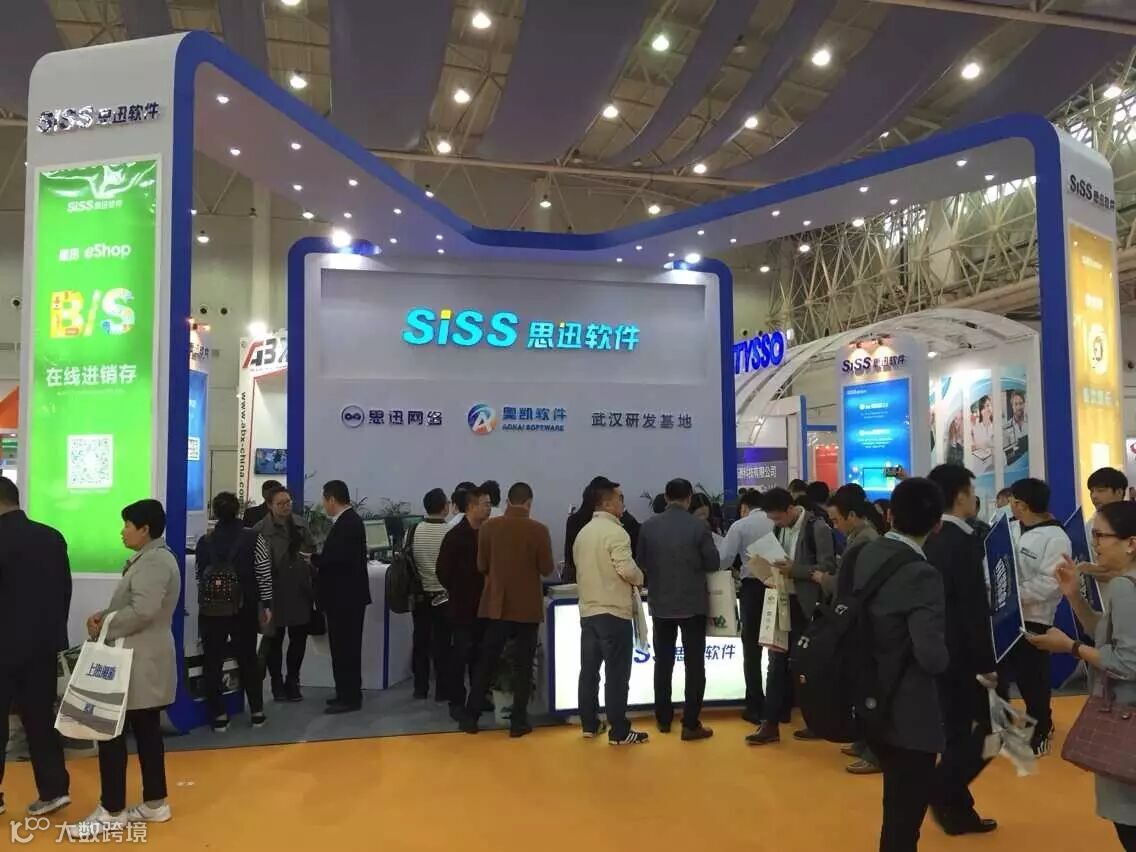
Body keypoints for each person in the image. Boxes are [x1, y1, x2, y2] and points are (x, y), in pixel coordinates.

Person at [1026, 501, 1136, 850]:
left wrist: (1070, 647)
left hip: (1126, 719)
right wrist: (1074, 597)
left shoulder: (1125, 587)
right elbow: (1107, 634)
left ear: (1130, 543)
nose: (1094, 544)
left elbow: (1127, 662)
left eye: (1101, 536)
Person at [71, 500, 180, 835]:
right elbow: (136, 606)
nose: (123, 532)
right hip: (141, 661)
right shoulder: (153, 558)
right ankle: (155, 803)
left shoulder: (154, 562)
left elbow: (143, 610)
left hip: (136, 662)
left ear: (144, 529)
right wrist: (106, 616)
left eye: (127, 525)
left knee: (111, 733)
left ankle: (112, 809)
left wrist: (106, 625)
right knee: (147, 734)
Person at [855, 478, 949, 852]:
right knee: (904, 817)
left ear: (890, 514)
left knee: (895, 806)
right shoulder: (922, 573)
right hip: (910, 709)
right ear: (937, 524)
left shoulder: (866, 553)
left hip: (868, 692)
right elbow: (931, 655)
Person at [923, 465, 999, 836]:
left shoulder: (931, 539)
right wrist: (987, 663)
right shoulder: (962, 542)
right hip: (967, 656)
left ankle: (957, 810)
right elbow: (973, 609)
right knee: (994, 733)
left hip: (940, 651)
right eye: (970, 491)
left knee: (955, 731)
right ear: (959, 496)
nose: (974, 498)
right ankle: (941, 789)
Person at [0, 477, 71, 818]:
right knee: (41, 719)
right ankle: (54, 791)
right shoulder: (51, 537)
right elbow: (64, 591)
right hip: (42, 647)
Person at [460, 482, 555, 736]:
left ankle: (471, 717)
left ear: (508, 501)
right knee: (523, 665)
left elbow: (482, 565)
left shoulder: (489, 528)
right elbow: (546, 568)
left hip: (497, 605)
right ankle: (518, 721)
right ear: (529, 503)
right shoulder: (539, 530)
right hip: (527, 607)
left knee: (487, 661)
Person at [747, 486, 837, 745]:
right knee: (775, 663)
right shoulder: (780, 529)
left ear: (790, 509)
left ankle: (816, 722)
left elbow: (828, 567)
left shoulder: (817, 528)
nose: (776, 523)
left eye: (778, 518)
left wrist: (794, 569)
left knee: (805, 665)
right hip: (781, 601)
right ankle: (769, 724)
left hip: (807, 606)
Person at [636, 478, 719, 741]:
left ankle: (663, 719)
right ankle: (690, 723)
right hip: (692, 605)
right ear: (689, 497)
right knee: (694, 666)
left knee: (663, 663)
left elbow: (641, 562)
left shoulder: (649, 526)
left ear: (666, 496)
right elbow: (713, 563)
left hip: (661, 604)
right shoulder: (699, 526)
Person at [999, 477, 1071, 755]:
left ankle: (1041, 728)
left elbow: (1051, 583)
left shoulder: (1056, 538)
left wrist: (1013, 595)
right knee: (999, 675)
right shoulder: (1010, 528)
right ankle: (1002, 726)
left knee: (1032, 679)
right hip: (1004, 615)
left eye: (1012, 501)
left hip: (1035, 618)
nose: (1009, 505)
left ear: (1021, 504)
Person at [573, 479, 649, 745]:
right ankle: (619, 731)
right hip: (614, 612)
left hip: (588, 611)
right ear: (607, 503)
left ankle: (589, 724)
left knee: (589, 672)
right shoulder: (616, 533)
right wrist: (641, 578)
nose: (622, 503)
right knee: (616, 675)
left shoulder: (583, 533)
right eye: (619, 498)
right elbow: (626, 569)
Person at [195, 492, 273, 732]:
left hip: (211, 611)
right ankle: (257, 712)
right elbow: (263, 572)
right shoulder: (254, 538)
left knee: (212, 662)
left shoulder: (204, 541)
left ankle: (219, 716)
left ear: (215, 513)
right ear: (238, 511)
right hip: (244, 608)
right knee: (248, 659)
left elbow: (199, 576)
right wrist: (267, 604)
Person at [822, 484, 885, 775]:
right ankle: (864, 741)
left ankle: (875, 751)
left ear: (851, 515)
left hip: (862, 622)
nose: (835, 525)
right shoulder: (857, 537)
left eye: (836, 520)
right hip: (855, 619)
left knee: (868, 688)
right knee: (859, 686)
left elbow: (858, 584)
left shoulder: (867, 541)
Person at [716, 490, 774, 725]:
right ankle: (779, 706)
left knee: (752, 649)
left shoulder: (740, 525)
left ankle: (755, 706)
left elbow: (724, 560)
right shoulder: (777, 522)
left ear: (744, 507)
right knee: (778, 646)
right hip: (779, 586)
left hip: (752, 589)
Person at [312, 480, 370, 714]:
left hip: (345, 599)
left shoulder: (347, 524)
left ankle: (349, 697)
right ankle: (345, 692)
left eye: (324, 500)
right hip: (345, 598)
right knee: (343, 648)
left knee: (346, 649)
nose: (324, 505)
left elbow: (338, 561)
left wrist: (314, 560)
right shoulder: (349, 521)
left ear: (332, 499)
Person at [254, 486, 316, 702]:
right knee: (274, 641)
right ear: (269, 505)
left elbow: (312, 550)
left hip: (299, 589)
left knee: (298, 639)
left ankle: (293, 680)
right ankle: (277, 682)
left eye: (288, 502)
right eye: (280, 503)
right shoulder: (260, 530)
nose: (285, 507)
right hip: (274, 591)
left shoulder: (300, 524)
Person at [437, 485, 492, 719]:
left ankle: (478, 697)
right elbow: (443, 571)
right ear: (471, 506)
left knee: (481, 655)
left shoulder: (488, 534)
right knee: (460, 655)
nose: (489, 508)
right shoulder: (455, 536)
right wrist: (460, 588)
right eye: (485, 504)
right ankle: (457, 701)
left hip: (484, 605)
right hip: (462, 607)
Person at [410, 488, 452, 701]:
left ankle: (420, 688)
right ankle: (443, 690)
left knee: (421, 642)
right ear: (444, 507)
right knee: (442, 644)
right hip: (444, 596)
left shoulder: (414, 530)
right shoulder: (450, 532)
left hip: (420, 595)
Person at [564, 476, 642, 583]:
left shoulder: (575, 522)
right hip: (613, 583)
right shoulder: (617, 528)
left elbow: (570, 557)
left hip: (581, 581)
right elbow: (628, 567)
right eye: (619, 499)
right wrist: (639, 580)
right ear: (604, 503)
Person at [1088, 467, 1129, 561]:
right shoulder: (1091, 524)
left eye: (1100, 490)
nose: (1094, 496)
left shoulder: (1132, 520)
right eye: (1092, 491)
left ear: (1119, 492)